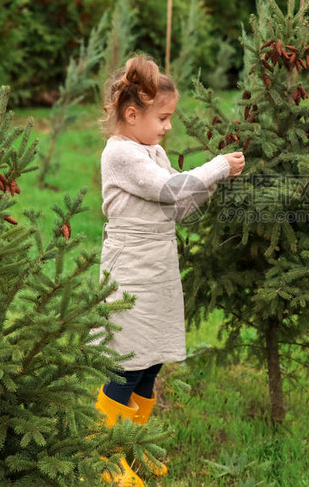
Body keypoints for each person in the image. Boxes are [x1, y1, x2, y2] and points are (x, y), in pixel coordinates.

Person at [96, 55, 245, 483]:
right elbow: (168, 188)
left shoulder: (152, 150)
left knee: (152, 360)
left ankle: (132, 446)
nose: (167, 127)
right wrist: (214, 166)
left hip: (159, 265)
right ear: (131, 114)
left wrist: (215, 182)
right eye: (162, 118)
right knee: (127, 361)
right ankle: (102, 454)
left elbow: (179, 206)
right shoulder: (121, 154)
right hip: (131, 269)